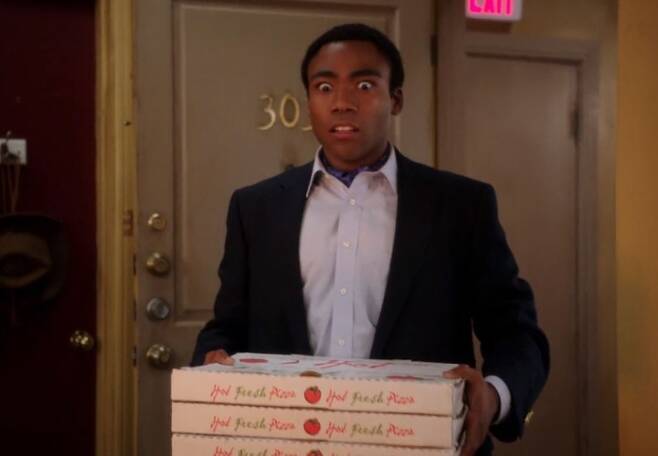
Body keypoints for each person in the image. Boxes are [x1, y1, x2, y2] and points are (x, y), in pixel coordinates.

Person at [192, 23, 549, 456]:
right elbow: (226, 328)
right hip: (289, 442)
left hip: (422, 444)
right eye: (324, 87)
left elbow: (514, 331)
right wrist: (212, 361)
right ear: (308, 101)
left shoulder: (461, 206)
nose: (342, 102)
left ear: (395, 99)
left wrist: (493, 396)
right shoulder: (256, 208)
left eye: (364, 85)